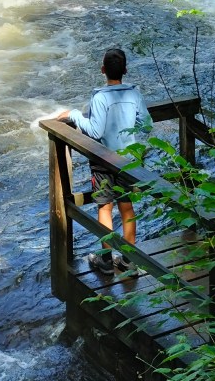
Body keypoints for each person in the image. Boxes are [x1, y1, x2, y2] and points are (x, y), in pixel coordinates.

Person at [56, 47, 150, 275]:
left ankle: (106, 261)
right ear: (126, 70)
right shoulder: (134, 94)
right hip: (128, 160)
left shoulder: (99, 97)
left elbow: (95, 131)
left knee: (105, 208)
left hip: (104, 161)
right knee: (127, 208)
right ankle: (129, 260)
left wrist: (75, 115)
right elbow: (146, 124)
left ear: (102, 70)